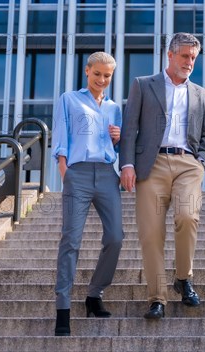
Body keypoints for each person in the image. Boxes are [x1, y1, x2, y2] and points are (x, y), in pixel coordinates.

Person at [119, 33, 205, 320]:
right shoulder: (143, 85)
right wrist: (127, 164)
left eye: (193, 58)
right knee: (151, 234)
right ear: (170, 55)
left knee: (188, 217)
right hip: (152, 164)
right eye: (185, 56)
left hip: (188, 163)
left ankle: (183, 277)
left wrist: (202, 162)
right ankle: (157, 297)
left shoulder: (203, 95)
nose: (189, 62)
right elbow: (129, 128)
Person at [51, 51, 123, 336]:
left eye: (107, 76)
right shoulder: (69, 99)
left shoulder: (115, 107)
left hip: (107, 174)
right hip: (77, 173)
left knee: (116, 236)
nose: (102, 80)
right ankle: (63, 308)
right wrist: (64, 169)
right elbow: (61, 133)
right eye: (97, 74)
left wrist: (118, 140)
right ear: (87, 71)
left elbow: (116, 147)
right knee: (71, 238)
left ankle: (94, 294)